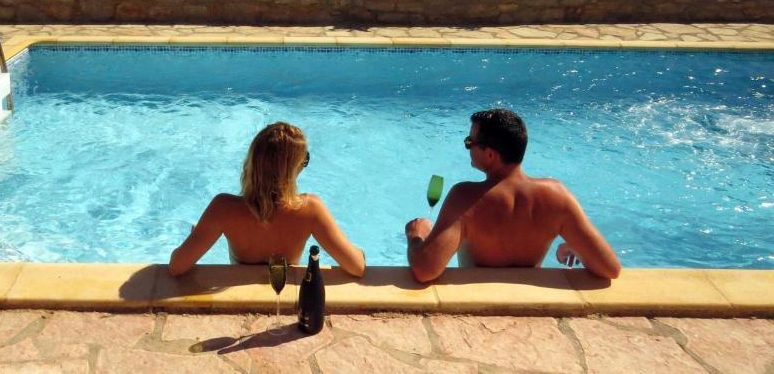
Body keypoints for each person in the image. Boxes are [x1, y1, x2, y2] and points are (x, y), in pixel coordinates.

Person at [405, 108, 621, 282]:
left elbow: (426, 271)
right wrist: (579, 247)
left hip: (478, 302)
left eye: (469, 142)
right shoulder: (556, 196)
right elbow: (610, 269)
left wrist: (417, 236)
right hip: (532, 307)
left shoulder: (465, 198)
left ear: (490, 154)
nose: (467, 147)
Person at [169, 122, 366, 277]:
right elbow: (357, 267)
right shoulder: (311, 209)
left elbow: (176, 267)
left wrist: (194, 236)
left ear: (252, 161)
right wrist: (357, 252)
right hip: (286, 295)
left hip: (242, 297)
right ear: (293, 169)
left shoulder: (222, 209)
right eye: (304, 160)